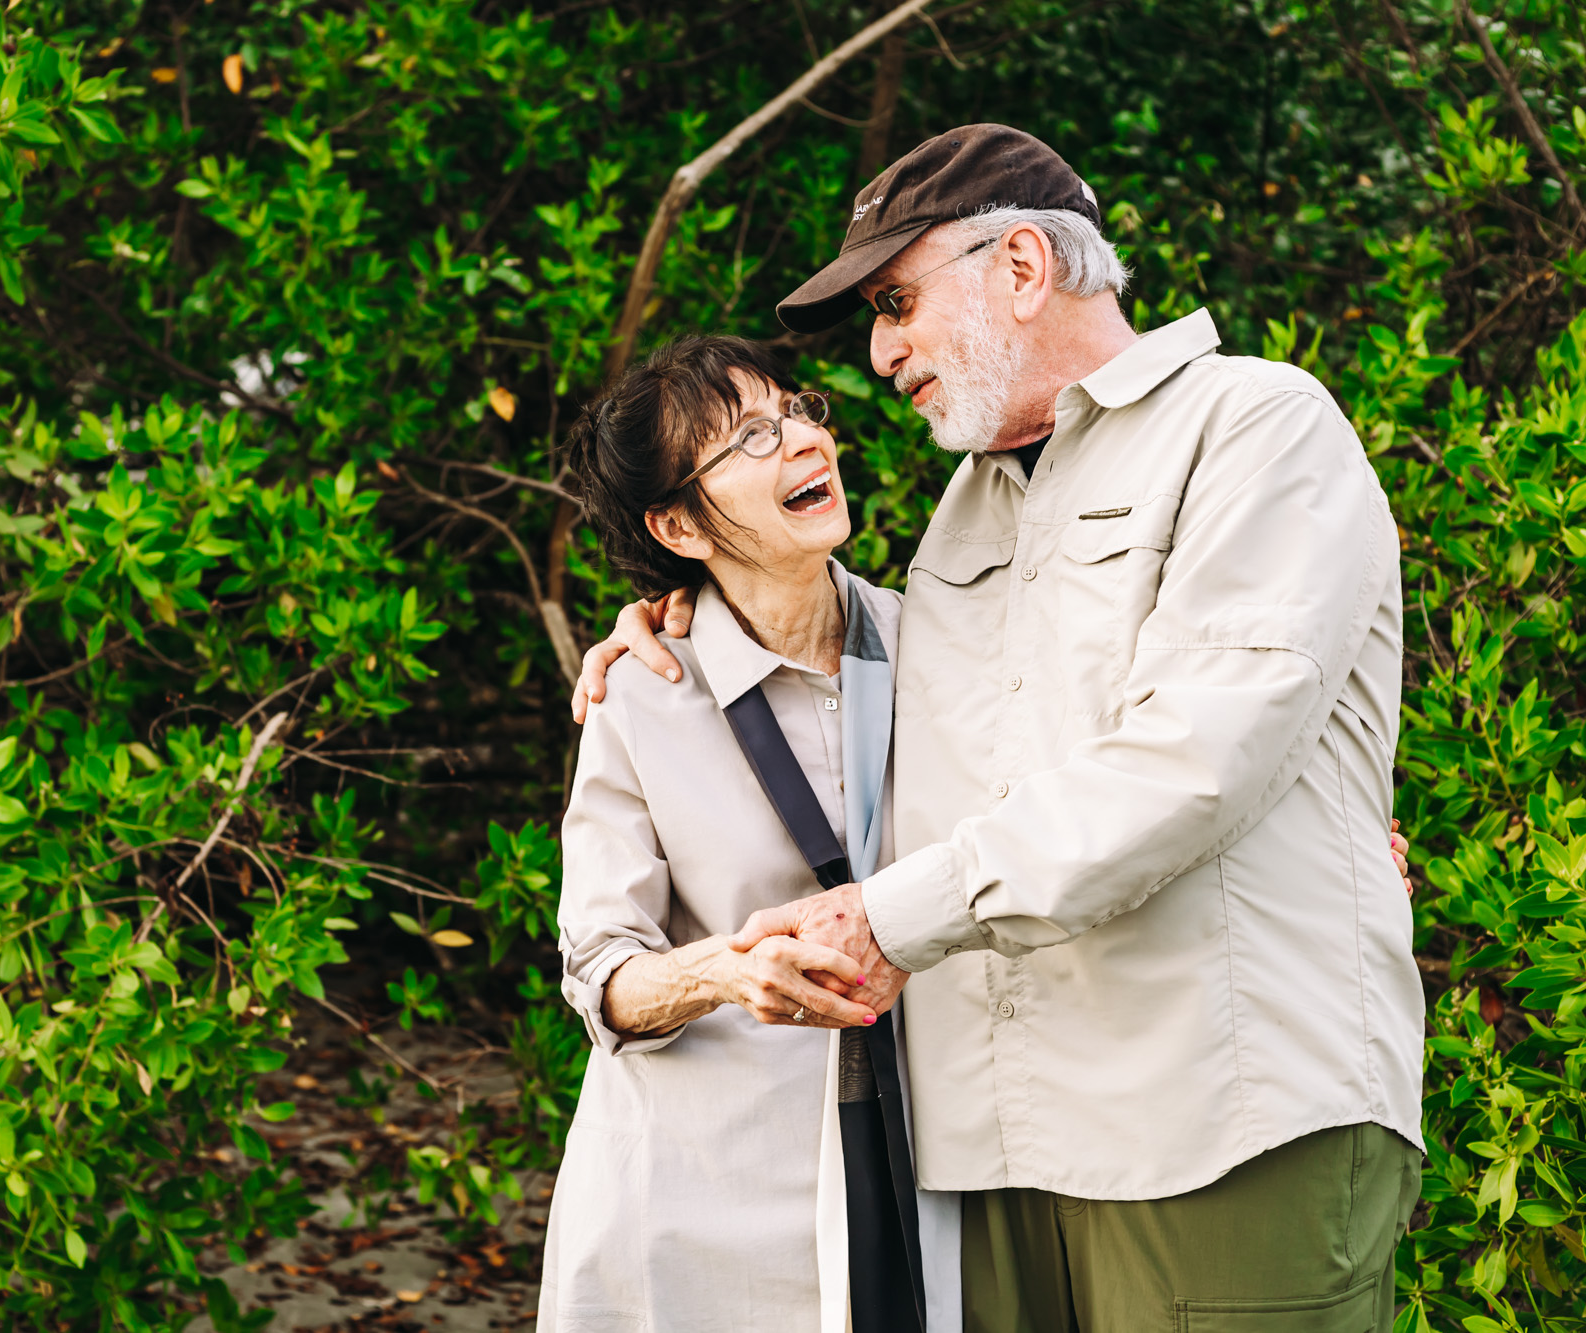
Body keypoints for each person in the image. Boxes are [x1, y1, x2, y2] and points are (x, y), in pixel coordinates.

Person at [570, 125, 1425, 1332]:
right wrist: (682, 618)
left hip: (1214, 1127)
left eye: (896, 302)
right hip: (989, 1169)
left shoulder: (1253, 426)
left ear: (1021, 267)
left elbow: (1193, 763)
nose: (880, 353)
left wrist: (882, 919)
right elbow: (916, 732)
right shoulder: (964, 515)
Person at [540, 336, 961, 1333]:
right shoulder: (640, 690)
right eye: (747, 437)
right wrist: (727, 973)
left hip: (931, 1166)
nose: (802, 440)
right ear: (678, 523)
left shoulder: (943, 645)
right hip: (704, 1200)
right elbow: (601, 971)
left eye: (798, 411)